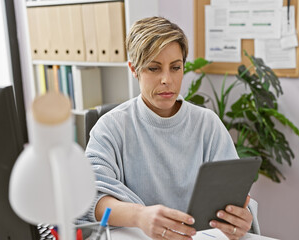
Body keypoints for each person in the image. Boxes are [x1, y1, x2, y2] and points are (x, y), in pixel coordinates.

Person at [81, 16, 260, 240]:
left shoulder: (208, 124)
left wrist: (240, 219)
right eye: (154, 68)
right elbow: (90, 196)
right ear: (134, 69)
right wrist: (140, 216)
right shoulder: (111, 127)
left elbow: (236, 197)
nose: (167, 79)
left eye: (175, 67)